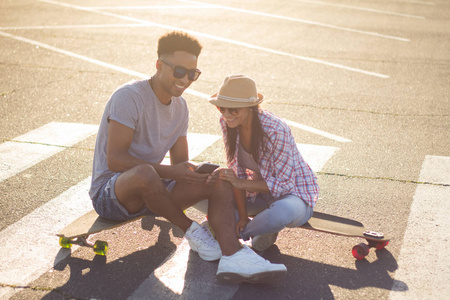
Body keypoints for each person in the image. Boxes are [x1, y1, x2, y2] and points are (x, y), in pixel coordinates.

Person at [89, 31, 286, 284]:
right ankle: (191, 231)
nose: (186, 80)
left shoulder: (180, 107)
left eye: (192, 74)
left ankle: (233, 254)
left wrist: (196, 173)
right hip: (112, 194)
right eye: (179, 71)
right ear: (159, 65)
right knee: (146, 174)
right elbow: (115, 160)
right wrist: (171, 173)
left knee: (220, 177)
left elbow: (180, 164)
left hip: (155, 190)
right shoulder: (128, 97)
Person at [208, 74, 319, 252]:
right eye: (222, 108)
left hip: (294, 195)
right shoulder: (228, 123)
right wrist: (243, 217)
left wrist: (239, 183)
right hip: (256, 195)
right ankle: (261, 228)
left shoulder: (276, 129)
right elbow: (237, 175)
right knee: (210, 194)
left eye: (233, 109)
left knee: (281, 213)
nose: (227, 114)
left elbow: (285, 184)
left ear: (250, 107)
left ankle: (240, 232)